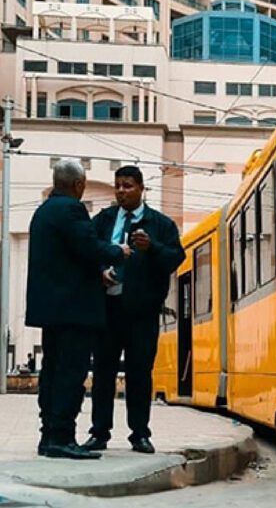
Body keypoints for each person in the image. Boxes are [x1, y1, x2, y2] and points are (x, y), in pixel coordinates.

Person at [25, 159, 131, 460]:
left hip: (52, 310)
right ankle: (62, 438)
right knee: (71, 374)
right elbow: (89, 247)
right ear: (78, 185)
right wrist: (118, 252)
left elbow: (67, 256)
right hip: (74, 310)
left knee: (53, 372)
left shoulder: (43, 211)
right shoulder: (72, 209)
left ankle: (49, 436)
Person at [83, 166, 184, 455]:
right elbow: (88, 250)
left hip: (142, 312)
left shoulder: (160, 225)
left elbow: (175, 258)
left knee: (140, 373)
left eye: (127, 186)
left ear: (141, 189)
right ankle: (99, 433)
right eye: (118, 186)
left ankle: (139, 434)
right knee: (103, 372)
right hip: (108, 308)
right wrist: (100, 270)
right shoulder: (103, 220)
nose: (121, 191)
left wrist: (152, 248)